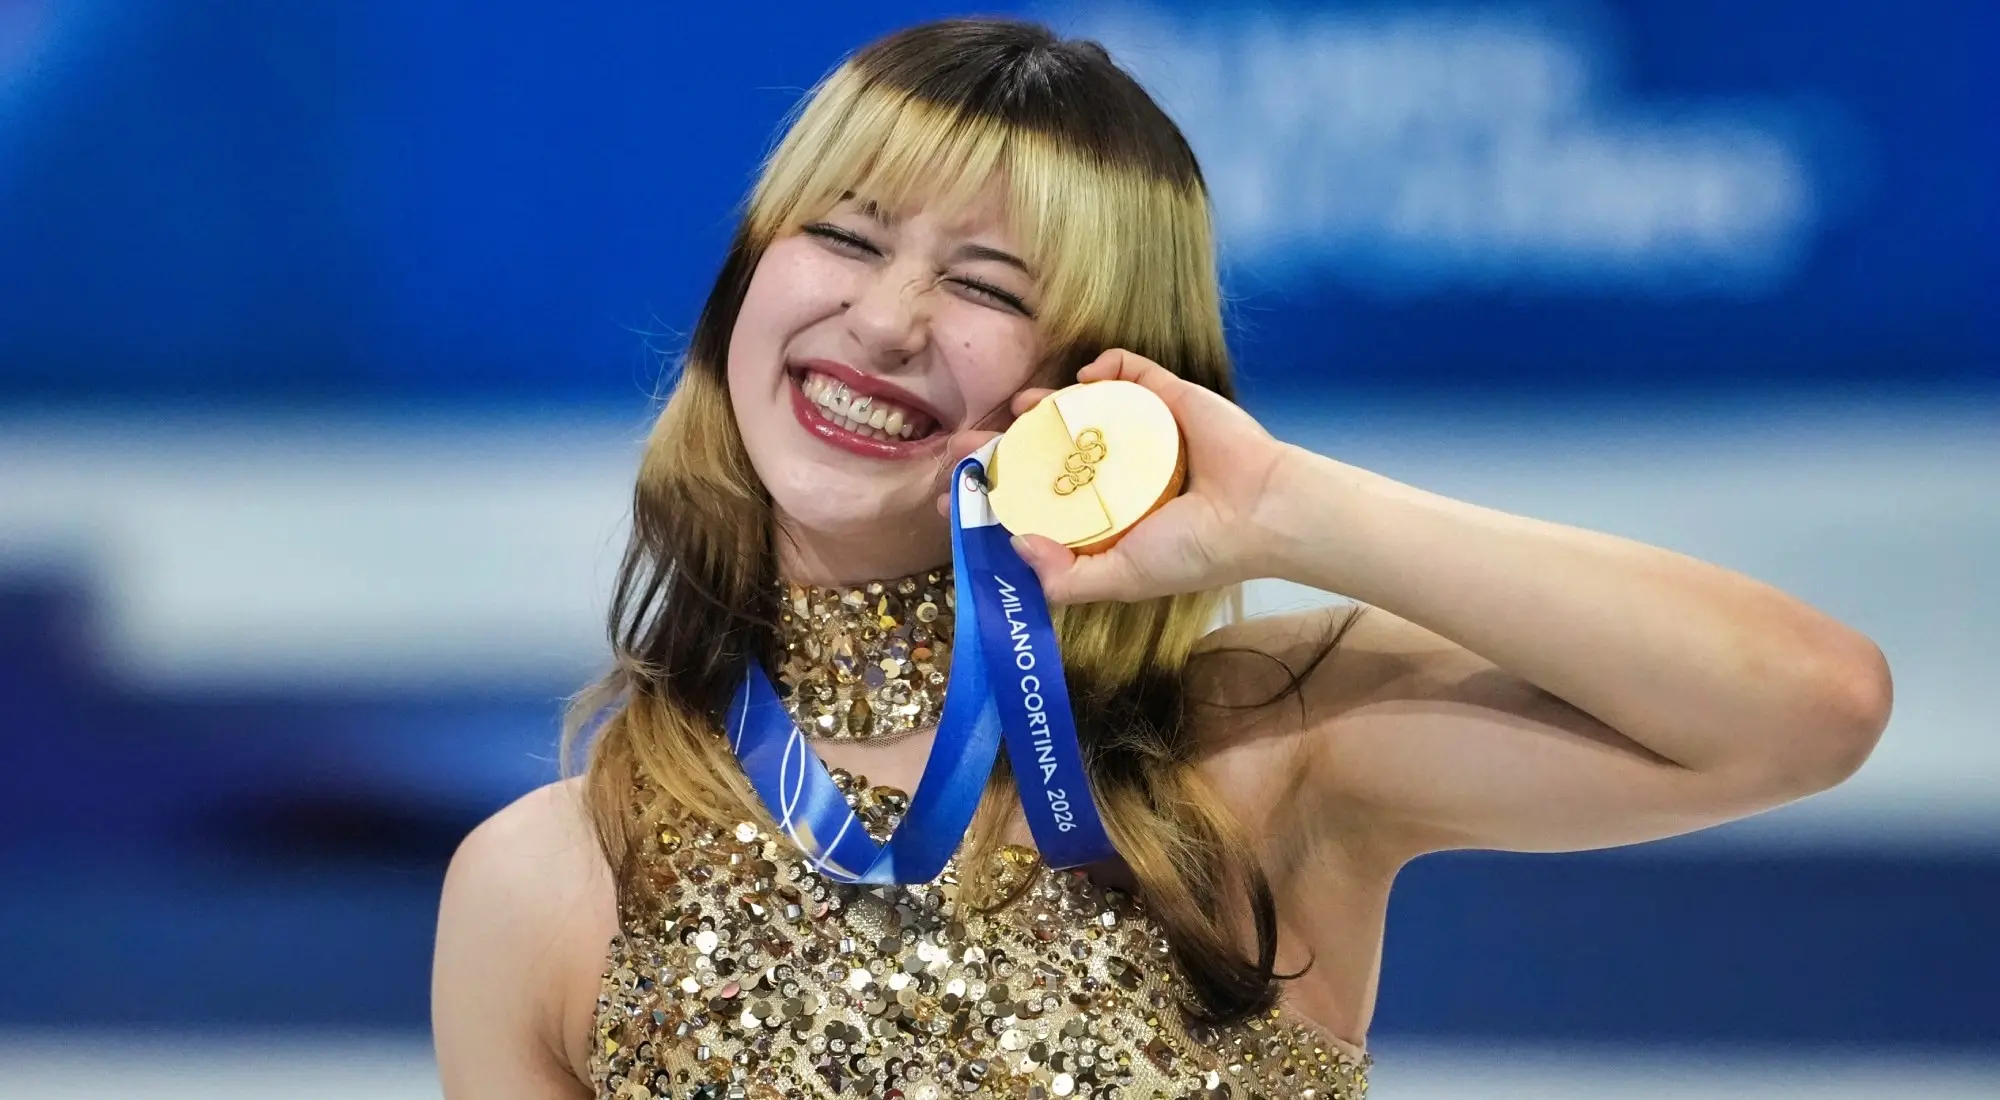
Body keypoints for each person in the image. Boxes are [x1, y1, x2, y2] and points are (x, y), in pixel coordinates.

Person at [431, 18, 1892, 1099]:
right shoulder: (547, 885)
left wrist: (1292, 509)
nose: (885, 320)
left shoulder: (1260, 751)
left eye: (987, 285)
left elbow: (1811, 705)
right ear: (748, 276)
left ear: (1099, 387)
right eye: (847, 238)